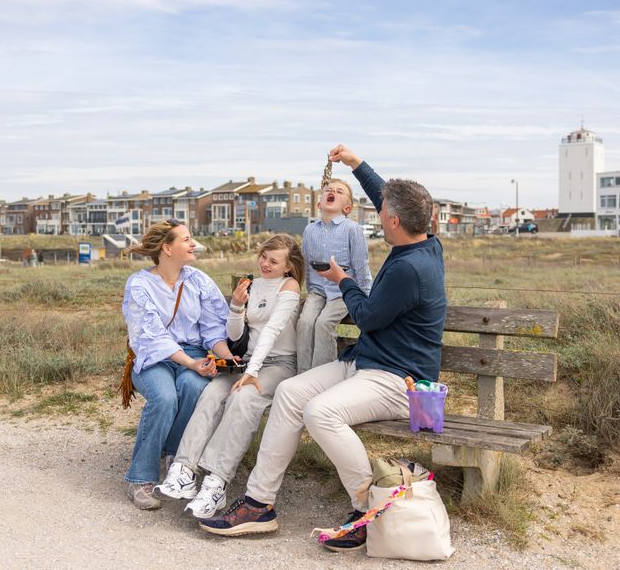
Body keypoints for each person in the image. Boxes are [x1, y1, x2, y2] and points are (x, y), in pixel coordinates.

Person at [199, 145, 447, 553]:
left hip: (397, 379)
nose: (379, 211)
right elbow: (389, 195)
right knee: (290, 393)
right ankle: (260, 504)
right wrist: (355, 165)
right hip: (366, 363)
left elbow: (366, 317)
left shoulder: (409, 268)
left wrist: (342, 278)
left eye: (383, 210)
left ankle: (367, 508)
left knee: (320, 411)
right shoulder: (425, 241)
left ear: (395, 221)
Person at [154, 234, 304, 519]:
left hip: (277, 364)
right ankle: (184, 471)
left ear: (288, 266)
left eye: (274, 261)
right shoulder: (251, 284)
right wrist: (236, 306)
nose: (266, 264)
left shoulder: (290, 286)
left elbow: (272, 331)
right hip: (247, 361)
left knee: (242, 398)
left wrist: (252, 372)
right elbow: (235, 336)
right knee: (211, 393)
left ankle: (215, 483)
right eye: (263, 257)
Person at [122, 219, 237, 510]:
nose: (192, 244)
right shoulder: (140, 284)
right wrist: (191, 362)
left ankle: (176, 456)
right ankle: (140, 478)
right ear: (166, 248)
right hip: (154, 357)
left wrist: (225, 356)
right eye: (186, 239)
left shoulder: (198, 280)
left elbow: (213, 329)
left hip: (193, 354)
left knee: (191, 387)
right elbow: (151, 337)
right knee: (164, 397)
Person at [296, 178, 372, 373]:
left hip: (343, 291)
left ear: (347, 208)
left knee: (323, 324)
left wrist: (364, 295)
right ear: (320, 203)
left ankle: (321, 375)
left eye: (339, 191)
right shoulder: (310, 230)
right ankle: (302, 374)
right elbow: (306, 264)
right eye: (329, 190)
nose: (333, 192)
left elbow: (361, 264)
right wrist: (308, 290)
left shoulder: (352, 229)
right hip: (317, 290)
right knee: (304, 323)